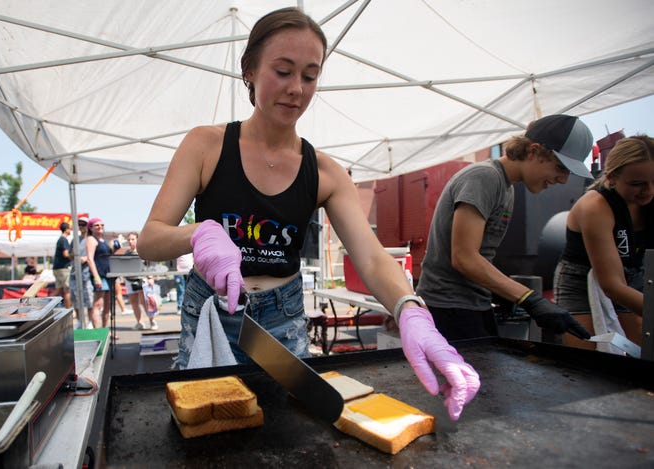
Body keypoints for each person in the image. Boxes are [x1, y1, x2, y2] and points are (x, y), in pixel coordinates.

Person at [138, 7, 479, 422]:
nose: (296, 88)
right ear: (249, 70)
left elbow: (370, 258)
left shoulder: (326, 172)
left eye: (309, 75)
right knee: (208, 428)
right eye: (282, 71)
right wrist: (199, 233)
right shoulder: (205, 146)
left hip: (283, 320)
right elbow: (150, 240)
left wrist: (409, 308)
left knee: (293, 432)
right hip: (210, 309)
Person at [416, 114, 593, 342]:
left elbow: (480, 257)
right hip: (449, 308)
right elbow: (464, 258)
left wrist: (503, 293)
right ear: (533, 151)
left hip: (471, 304)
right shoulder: (484, 177)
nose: (563, 180)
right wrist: (529, 298)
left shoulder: (506, 186)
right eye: (560, 167)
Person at [554, 135, 654, 318]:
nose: (649, 191)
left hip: (634, 276)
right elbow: (612, 285)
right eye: (637, 184)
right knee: (587, 345)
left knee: (638, 344)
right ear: (612, 177)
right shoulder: (595, 206)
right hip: (583, 283)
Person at [86, 217, 112, 328]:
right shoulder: (91, 239)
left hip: (109, 275)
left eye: (102, 225)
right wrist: (96, 277)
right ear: (91, 228)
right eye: (97, 225)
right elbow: (90, 259)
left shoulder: (104, 241)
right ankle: (98, 331)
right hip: (100, 275)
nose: (100, 227)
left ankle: (106, 331)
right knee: (98, 304)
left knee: (107, 305)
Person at [124, 232, 153, 330]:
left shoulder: (143, 251)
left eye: (132, 239)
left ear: (137, 240)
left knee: (145, 302)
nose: (130, 241)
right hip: (130, 280)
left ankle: (152, 321)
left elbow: (149, 266)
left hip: (141, 280)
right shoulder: (126, 253)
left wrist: (150, 277)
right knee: (134, 303)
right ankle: (139, 322)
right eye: (128, 240)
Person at [70, 216, 95, 328]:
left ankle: (90, 321)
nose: (81, 227)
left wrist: (86, 258)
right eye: (79, 224)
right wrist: (74, 256)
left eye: (83, 224)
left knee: (89, 299)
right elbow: (69, 254)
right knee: (75, 299)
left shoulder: (91, 239)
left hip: (87, 273)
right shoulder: (75, 240)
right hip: (75, 273)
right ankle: (80, 321)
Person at [52, 221, 72, 308]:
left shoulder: (60, 239)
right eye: (70, 228)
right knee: (68, 290)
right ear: (66, 229)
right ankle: (69, 310)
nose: (71, 230)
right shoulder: (64, 240)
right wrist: (75, 256)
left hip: (57, 268)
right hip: (63, 268)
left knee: (58, 290)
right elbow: (66, 254)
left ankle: (46, 307)